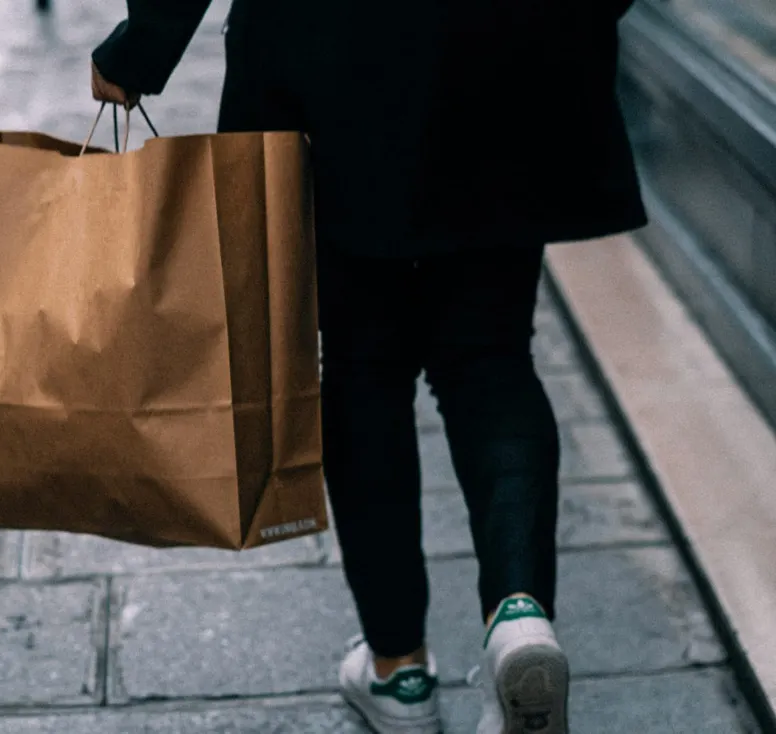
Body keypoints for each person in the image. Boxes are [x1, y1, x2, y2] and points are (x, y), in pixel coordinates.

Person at [90, 0, 645, 732]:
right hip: (510, 58)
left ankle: (399, 671)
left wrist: (140, 50)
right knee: (491, 357)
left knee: (364, 367)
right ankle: (520, 615)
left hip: (331, 60)